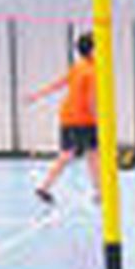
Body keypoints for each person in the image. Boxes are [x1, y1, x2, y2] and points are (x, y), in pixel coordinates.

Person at [27, 31, 100, 205]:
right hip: (83, 119)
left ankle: (44, 187)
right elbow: (91, 99)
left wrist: (37, 95)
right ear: (93, 49)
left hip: (67, 116)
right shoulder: (92, 71)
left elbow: (59, 84)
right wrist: (99, 120)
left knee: (70, 154)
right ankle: (98, 192)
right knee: (91, 154)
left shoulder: (78, 66)